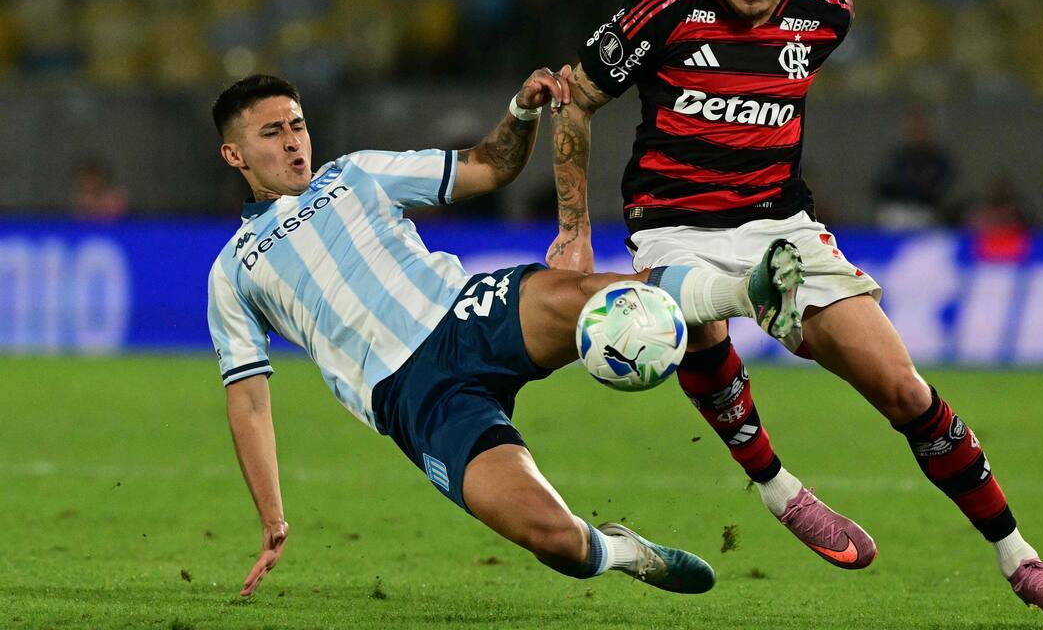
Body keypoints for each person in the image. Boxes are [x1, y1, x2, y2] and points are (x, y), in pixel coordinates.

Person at [546, 0, 1043, 625]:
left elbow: (795, 58)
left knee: (905, 391)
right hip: (674, 226)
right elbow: (574, 94)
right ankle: (781, 491)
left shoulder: (824, 13)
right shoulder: (664, 8)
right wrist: (574, 228)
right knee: (687, 320)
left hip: (781, 228)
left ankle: (1021, 557)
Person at [206, 70, 804, 598]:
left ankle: (749, 292)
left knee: (594, 295)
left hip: (467, 313)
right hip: (415, 396)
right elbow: (249, 400)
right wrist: (273, 515)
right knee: (558, 542)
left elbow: (490, 165)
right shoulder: (233, 270)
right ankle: (621, 550)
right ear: (234, 155)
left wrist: (520, 113)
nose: (293, 142)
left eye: (298, 125)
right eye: (272, 133)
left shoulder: (356, 174)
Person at [873, 106, 956, 229]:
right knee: (891, 217)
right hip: (897, 209)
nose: (916, 132)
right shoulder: (897, 156)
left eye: (919, 128)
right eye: (912, 129)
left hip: (925, 210)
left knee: (924, 219)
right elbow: (881, 185)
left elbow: (942, 184)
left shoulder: (938, 158)